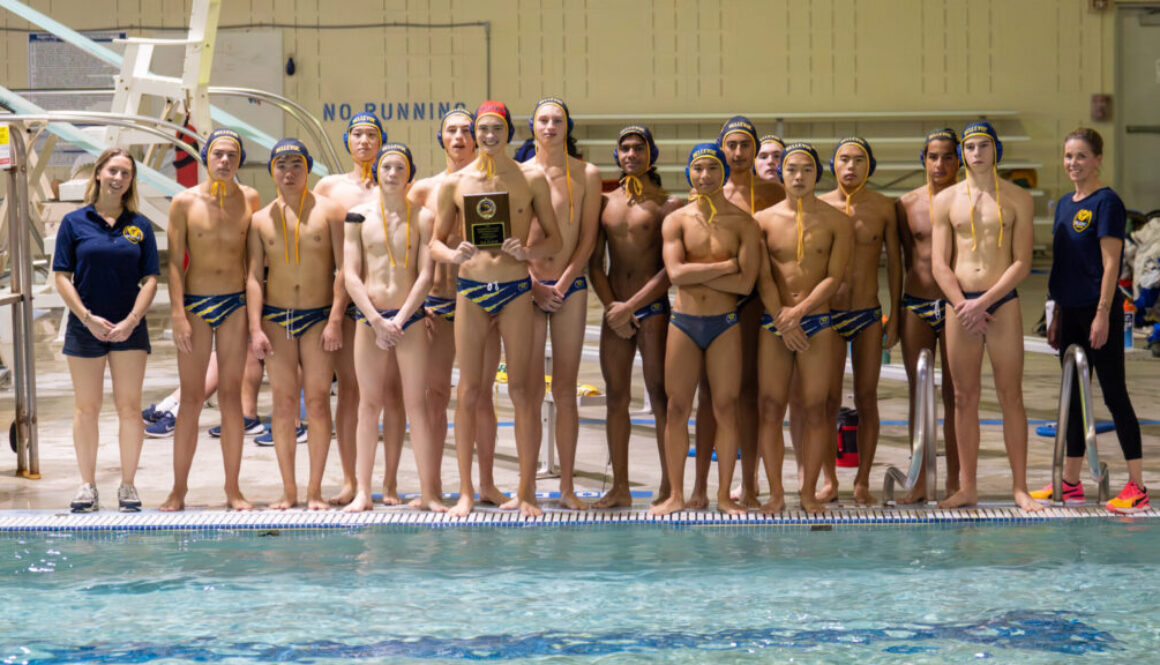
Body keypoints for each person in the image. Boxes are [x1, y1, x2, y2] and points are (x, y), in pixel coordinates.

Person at [430, 100, 562, 517]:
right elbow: (435, 242)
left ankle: (527, 492)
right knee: (469, 392)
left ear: (508, 131)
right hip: (471, 289)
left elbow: (555, 241)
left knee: (523, 392)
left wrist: (528, 251)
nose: (487, 136)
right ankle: (467, 492)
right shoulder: (456, 183)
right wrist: (452, 256)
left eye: (495, 129)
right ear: (473, 134)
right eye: (480, 130)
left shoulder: (531, 178)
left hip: (515, 291)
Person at [1031, 128, 1149, 514]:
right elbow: (1064, 266)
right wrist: (1054, 315)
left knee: (1115, 395)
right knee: (1074, 401)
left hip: (1099, 312)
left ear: (1098, 159)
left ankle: (1137, 485)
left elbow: (1111, 263)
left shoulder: (1107, 203)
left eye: (1081, 156)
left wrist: (1102, 314)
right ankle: (1070, 481)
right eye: (1068, 156)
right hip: (1069, 314)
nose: (1073, 164)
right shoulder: (1064, 204)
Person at [930, 121, 1041, 512]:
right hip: (960, 305)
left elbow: (1023, 261)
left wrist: (984, 302)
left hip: (1001, 301)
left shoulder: (1017, 198)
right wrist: (963, 303)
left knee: (1011, 395)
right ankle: (968, 487)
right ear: (963, 153)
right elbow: (939, 264)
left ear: (997, 151)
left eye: (984, 146)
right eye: (970, 147)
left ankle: (1020, 488)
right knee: (963, 397)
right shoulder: (945, 201)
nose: (976, 153)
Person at [650, 143, 760, 516]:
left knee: (726, 408)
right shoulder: (676, 220)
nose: (705, 175)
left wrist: (701, 276)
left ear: (723, 172)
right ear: (689, 172)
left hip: (724, 324)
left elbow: (746, 286)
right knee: (678, 407)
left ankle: (725, 495)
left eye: (712, 168)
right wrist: (726, 265)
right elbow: (676, 274)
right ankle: (677, 495)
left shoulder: (744, 223)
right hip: (683, 323)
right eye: (698, 168)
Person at [409, 109, 507, 506]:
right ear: (441, 138)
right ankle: (430, 487)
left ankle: (485, 484)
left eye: (467, 130)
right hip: (435, 305)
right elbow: (410, 252)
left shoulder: (495, 184)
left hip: (482, 301)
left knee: (481, 395)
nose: (461, 136)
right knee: (435, 395)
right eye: (452, 130)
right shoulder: (422, 190)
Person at [53, 148, 159, 512]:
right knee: (87, 408)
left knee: (130, 408)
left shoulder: (140, 226)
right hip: (86, 328)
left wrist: (131, 321)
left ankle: (128, 485)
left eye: (126, 174)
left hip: (129, 330)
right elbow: (61, 276)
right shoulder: (74, 222)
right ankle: (87, 485)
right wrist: (86, 317)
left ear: (131, 181)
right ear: (98, 173)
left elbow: (150, 280)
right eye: (113, 170)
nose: (118, 178)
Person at [689, 117, 787, 510]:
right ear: (720, 148)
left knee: (748, 393)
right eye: (731, 145)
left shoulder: (774, 192)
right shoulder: (710, 189)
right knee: (709, 393)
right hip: (715, 300)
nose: (739, 153)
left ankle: (749, 484)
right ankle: (699, 487)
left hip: (756, 301)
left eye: (746, 145)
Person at [344, 143, 445, 513]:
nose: (391, 174)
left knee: (416, 405)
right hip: (369, 319)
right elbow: (351, 275)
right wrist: (374, 319)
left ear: (409, 175)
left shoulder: (423, 217)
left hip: (410, 319)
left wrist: (399, 320)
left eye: (399, 168)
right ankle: (362, 493)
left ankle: (428, 492)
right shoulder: (356, 216)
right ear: (377, 172)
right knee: (368, 405)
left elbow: (425, 275)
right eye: (386, 167)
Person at [246, 139, 346, 509]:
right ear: (272, 170)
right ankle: (289, 491)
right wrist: (255, 328)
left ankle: (315, 490)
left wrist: (336, 319)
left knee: (318, 402)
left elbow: (344, 271)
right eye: (282, 165)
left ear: (308, 169)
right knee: (284, 404)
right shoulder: (260, 220)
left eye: (297, 165)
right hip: (276, 318)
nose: (289, 173)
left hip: (319, 318)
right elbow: (254, 277)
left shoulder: (332, 212)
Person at [753, 142, 852, 514]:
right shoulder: (762, 220)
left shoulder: (836, 221)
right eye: (791, 169)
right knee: (770, 408)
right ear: (781, 173)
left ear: (816, 174)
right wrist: (781, 315)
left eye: (806, 170)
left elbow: (835, 276)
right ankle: (776, 493)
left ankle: (809, 492)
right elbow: (762, 274)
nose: (797, 176)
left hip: (817, 321)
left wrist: (800, 312)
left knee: (815, 409)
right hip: (773, 321)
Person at [161, 128, 256, 512]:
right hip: (197, 304)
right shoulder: (183, 202)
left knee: (232, 398)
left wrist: (253, 318)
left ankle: (233, 489)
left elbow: (252, 265)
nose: (224, 161)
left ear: (239, 160)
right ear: (205, 158)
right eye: (218, 154)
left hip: (234, 303)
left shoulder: (249, 198)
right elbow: (173, 263)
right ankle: (178, 489)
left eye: (232, 155)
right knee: (191, 399)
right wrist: (177, 313)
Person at [590, 125, 681, 508]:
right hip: (615, 310)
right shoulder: (604, 203)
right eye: (624, 148)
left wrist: (632, 306)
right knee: (615, 398)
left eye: (638, 148)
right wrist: (614, 308)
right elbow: (595, 265)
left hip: (654, 309)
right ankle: (620, 487)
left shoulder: (668, 204)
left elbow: (669, 269)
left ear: (651, 154)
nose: (630, 154)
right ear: (617, 155)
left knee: (661, 397)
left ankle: (668, 487)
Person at [523, 98, 602, 510]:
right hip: (528, 287)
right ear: (532, 126)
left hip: (571, 286)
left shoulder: (586, 173)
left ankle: (567, 487)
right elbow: (508, 240)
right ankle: (528, 489)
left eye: (557, 120)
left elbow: (588, 237)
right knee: (530, 391)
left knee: (566, 390)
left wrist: (565, 280)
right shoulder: (518, 174)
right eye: (543, 120)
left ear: (568, 125)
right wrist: (534, 283)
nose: (550, 126)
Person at [818, 136, 901, 505]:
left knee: (867, 398)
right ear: (833, 165)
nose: (850, 167)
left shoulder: (884, 208)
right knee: (827, 399)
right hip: (830, 315)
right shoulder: (818, 205)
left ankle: (863, 480)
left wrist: (895, 315)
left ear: (870, 166)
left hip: (868, 313)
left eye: (859, 161)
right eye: (844, 160)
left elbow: (897, 266)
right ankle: (829, 479)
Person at [313, 112, 388, 505]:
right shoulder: (329, 187)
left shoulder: (394, 182)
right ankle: (348, 479)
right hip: (342, 301)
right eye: (357, 134)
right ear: (347, 141)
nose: (364, 141)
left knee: (389, 392)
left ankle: (386, 481)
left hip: (386, 300)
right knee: (351, 391)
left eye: (372, 135)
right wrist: (334, 314)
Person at [895, 128, 962, 503]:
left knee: (957, 395)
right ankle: (919, 478)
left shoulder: (969, 201)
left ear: (958, 161)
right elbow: (907, 259)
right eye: (933, 156)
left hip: (955, 305)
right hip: (916, 304)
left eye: (948, 156)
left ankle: (955, 479)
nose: (940, 164)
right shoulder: (905, 204)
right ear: (923, 159)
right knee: (918, 393)